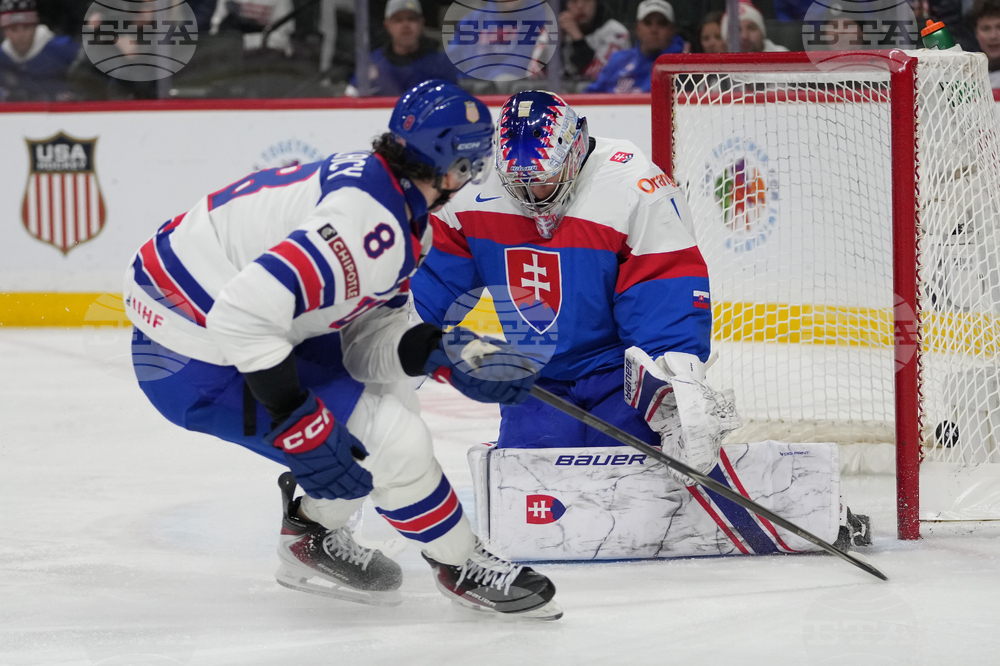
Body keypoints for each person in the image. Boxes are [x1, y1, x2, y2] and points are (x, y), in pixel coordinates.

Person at [123, 80, 562, 621]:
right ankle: (459, 563)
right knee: (392, 444)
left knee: (389, 400)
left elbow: (364, 336)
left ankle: (310, 534)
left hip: (225, 317)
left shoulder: (392, 202)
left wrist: (439, 350)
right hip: (191, 355)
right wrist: (297, 418)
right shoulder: (370, 226)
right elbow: (240, 316)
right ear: (455, 168)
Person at [411, 90, 872, 561]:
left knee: (648, 478)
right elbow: (432, 283)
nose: (531, 198)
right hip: (537, 375)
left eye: (543, 181)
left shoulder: (633, 185)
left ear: (574, 152)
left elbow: (663, 289)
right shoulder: (468, 193)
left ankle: (811, 507)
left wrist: (673, 386)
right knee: (531, 482)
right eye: (518, 184)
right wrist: (394, 346)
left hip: (619, 374)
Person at [347, 0, 459, 97]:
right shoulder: (372, 63)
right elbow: (351, 101)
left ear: (421, 24)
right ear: (387, 26)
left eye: (411, 19)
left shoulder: (441, 64)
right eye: (398, 20)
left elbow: (454, 102)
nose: (405, 25)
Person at [584, 0, 688, 94]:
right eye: (648, 23)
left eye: (661, 24)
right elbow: (590, 95)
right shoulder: (618, 60)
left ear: (671, 30)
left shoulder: (682, 65)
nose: (654, 30)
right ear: (638, 29)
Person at [0, 0, 78, 102]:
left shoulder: (64, 49)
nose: (20, 35)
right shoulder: (2, 57)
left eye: (26, 28)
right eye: (14, 29)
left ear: (35, 27)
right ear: (5, 32)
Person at [559, 0, 629, 81]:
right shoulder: (560, 31)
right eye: (574, 1)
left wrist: (577, 38)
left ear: (596, 3)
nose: (580, 6)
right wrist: (558, 42)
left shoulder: (615, 32)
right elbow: (545, 75)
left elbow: (604, 76)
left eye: (587, 1)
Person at [721, 2, 789, 53]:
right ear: (725, 38)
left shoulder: (783, 57)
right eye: (737, 30)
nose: (745, 36)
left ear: (762, 33)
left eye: (751, 28)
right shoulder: (718, 64)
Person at [970, 0, 1000, 87]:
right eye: (986, 29)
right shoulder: (965, 75)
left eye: (999, 27)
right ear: (976, 33)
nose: (993, 36)